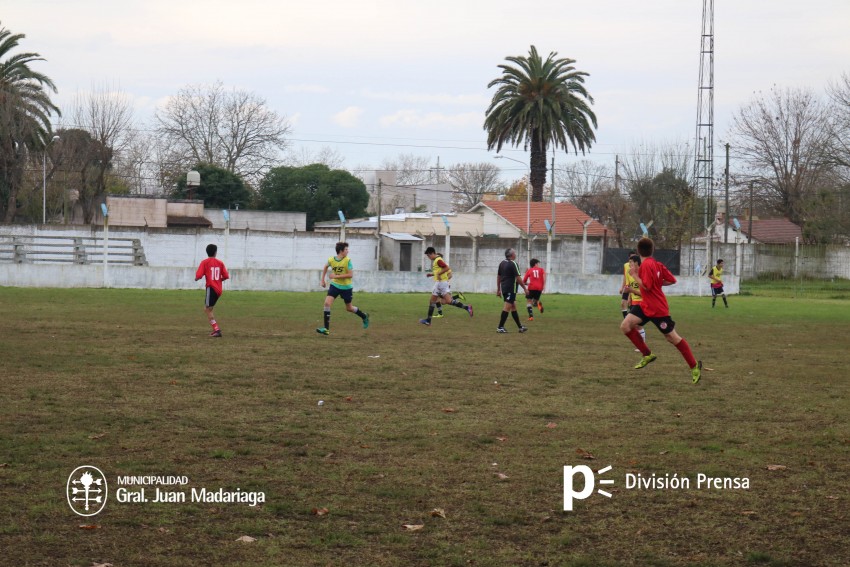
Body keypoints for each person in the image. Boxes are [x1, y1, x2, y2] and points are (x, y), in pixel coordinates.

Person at [620, 237, 702, 383]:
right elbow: (672, 280)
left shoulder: (646, 266)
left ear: (639, 251)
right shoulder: (658, 264)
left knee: (672, 338)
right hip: (645, 305)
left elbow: (646, 286)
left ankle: (694, 366)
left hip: (657, 308)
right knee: (626, 325)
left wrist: (634, 276)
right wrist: (658, 283)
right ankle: (647, 354)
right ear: (652, 250)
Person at [316, 242, 369, 336]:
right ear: (341, 251)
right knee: (327, 303)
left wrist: (336, 276)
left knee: (349, 308)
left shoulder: (348, 260)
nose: (348, 251)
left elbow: (350, 275)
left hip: (346, 287)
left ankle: (364, 316)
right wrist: (322, 280)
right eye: (346, 249)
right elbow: (325, 267)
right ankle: (326, 329)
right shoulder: (331, 259)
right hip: (335, 285)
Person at [419, 247, 473, 326]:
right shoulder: (437, 260)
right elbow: (439, 271)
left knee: (436, 301)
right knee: (445, 301)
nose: (428, 257)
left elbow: (447, 268)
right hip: (441, 283)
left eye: (428, 255)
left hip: (440, 283)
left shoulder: (438, 260)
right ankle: (467, 307)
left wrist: (439, 274)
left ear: (432, 253)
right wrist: (432, 274)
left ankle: (428, 320)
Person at [195, 243, 229, 338]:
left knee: (207, 309)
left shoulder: (204, 262)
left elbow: (198, 275)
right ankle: (216, 330)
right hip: (219, 290)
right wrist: (219, 280)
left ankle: (216, 330)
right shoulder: (220, 263)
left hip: (211, 288)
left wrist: (196, 278)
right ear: (215, 252)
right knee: (210, 309)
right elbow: (226, 276)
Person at [496, 248, 529, 333]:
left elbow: (499, 276)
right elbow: (518, 278)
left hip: (504, 288)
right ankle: (500, 327)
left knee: (513, 306)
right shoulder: (513, 263)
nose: (515, 254)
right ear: (511, 255)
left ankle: (520, 327)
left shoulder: (502, 263)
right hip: (511, 288)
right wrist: (525, 289)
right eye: (515, 253)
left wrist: (498, 289)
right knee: (507, 307)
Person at [622, 253, 647, 349]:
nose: (629, 265)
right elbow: (630, 287)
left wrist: (632, 291)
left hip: (642, 303)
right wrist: (629, 298)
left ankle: (641, 345)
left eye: (631, 263)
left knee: (636, 325)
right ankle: (641, 345)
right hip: (634, 302)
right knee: (634, 325)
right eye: (629, 263)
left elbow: (645, 294)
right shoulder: (629, 273)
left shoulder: (642, 274)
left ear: (637, 263)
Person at [620, 250, 637, 318]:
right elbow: (625, 277)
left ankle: (632, 319)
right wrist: (622, 287)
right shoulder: (626, 265)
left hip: (634, 287)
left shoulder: (638, 265)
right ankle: (626, 319)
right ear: (629, 258)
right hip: (627, 287)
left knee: (631, 304)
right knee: (623, 303)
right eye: (631, 257)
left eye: (634, 257)